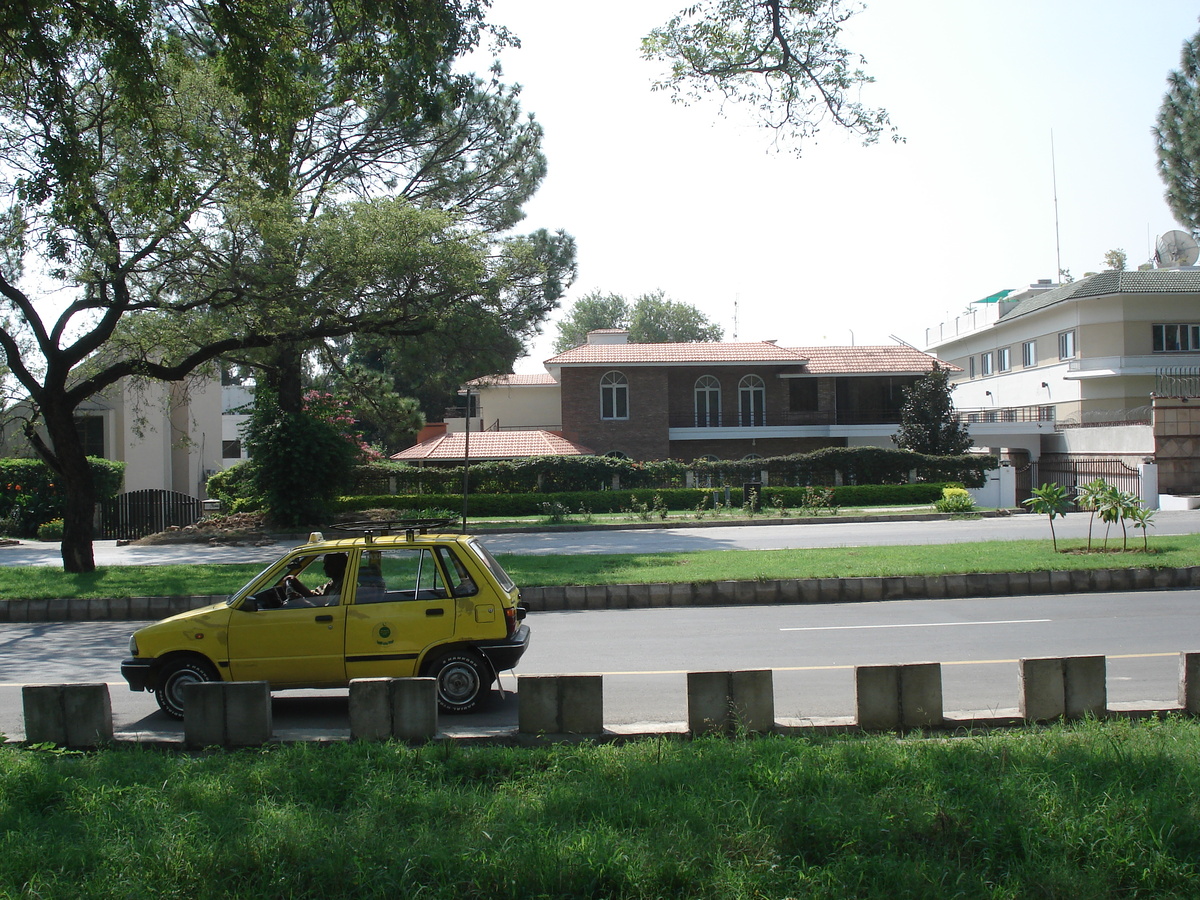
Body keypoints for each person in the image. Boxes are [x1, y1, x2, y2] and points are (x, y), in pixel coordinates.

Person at [282, 553, 348, 607]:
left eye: (328, 565)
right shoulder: (333, 583)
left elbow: (326, 611)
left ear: (339, 566)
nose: (324, 568)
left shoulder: (344, 588)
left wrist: (301, 601)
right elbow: (318, 599)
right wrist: (296, 584)